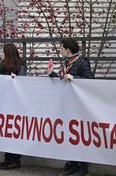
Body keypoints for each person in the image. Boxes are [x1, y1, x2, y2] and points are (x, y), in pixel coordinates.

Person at [47, 38, 94, 176]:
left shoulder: (82, 62)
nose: (60, 51)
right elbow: (64, 80)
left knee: (80, 136)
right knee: (70, 137)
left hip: (79, 106)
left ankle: (82, 167)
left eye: (61, 49)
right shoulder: (67, 62)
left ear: (67, 50)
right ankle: (73, 164)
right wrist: (52, 73)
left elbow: (90, 81)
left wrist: (75, 78)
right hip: (69, 105)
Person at [0, 44, 26, 170]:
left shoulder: (20, 66)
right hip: (5, 103)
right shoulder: (3, 67)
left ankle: (15, 159)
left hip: (16, 104)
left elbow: (22, 82)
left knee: (14, 132)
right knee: (6, 132)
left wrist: (15, 80)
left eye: (2, 52)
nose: (0, 55)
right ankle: (7, 158)